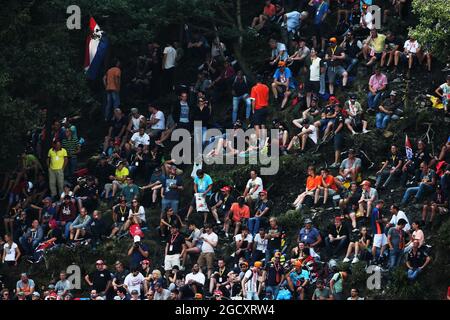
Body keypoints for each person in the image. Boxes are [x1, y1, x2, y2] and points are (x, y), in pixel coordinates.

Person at [250, 74, 270, 140]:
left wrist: (253, 109)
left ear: (256, 80)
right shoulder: (266, 87)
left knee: (257, 125)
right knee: (263, 124)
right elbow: (267, 98)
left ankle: (258, 141)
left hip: (258, 108)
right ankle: (264, 141)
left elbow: (253, 100)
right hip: (265, 108)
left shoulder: (254, 88)